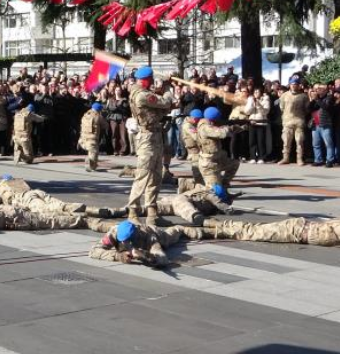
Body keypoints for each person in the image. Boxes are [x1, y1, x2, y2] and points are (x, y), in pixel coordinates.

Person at [203, 215, 340, 254]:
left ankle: (218, 225)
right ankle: (215, 229)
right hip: (295, 232)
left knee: (255, 228)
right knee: (251, 233)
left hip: (300, 225)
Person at [125, 67, 172, 224]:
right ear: (144, 80)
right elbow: (165, 102)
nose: (152, 82)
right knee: (143, 175)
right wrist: (167, 89)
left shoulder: (142, 93)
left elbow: (157, 112)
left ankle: (152, 212)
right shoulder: (141, 95)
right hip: (147, 138)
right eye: (150, 80)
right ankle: (133, 212)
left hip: (155, 135)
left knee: (156, 176)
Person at [88, 220, 208, 268]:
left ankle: (184, 229)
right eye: (122, 240)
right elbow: (93, 251)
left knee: (170, 236)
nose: (124, 243)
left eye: (128, 240)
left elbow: (162, 259)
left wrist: (147, 256)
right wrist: (118, 256)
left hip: (156, 233)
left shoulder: (148, 237)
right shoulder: (114, 233)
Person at [0, 175, 114, 218]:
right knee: (60, 204)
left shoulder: (0, 186)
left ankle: (80, 215)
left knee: (49, 211)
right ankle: (94, 210)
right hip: (37, 192)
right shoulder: (18, 181)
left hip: (26, 199)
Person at [195, 107, 242, 190]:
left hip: (218, 159)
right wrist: (229, 127)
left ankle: (224, 183)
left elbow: (226, 131)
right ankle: (186, 184)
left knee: (234, 164)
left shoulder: (210, 125)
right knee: (214, 191)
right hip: (209, 163)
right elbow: (222, 133)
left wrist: (242, 127)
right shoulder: (205, 127)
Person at [156, 183, 232, 226]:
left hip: (173, 200)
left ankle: (144, 209)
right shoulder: (210, 194)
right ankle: (198, 219)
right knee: (188, 210)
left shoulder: (201, 188)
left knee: (157, 207)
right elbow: (219, 203)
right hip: (183, 200)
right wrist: (229, 208)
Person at [277, 77, 309, 165]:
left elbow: (307, 109)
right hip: (287, 121)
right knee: (286, 141)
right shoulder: (284, 95)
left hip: (299, 121)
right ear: (290, 85)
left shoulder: (303, 96)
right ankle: (285, 158)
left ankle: (299, 159)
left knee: (299, 141)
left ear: (299, 85)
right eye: (292, 84)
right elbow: (281, 107)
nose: (294, 86)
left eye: (296, 84)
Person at [79, 102, 106, 171]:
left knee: (90, 150)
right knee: (94, 152)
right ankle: (91, 164)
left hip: (83, 137)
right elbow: (105, 125)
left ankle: (93, 164)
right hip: (92, 137)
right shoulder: (98, 116)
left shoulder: (85, 115)